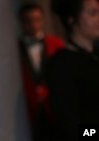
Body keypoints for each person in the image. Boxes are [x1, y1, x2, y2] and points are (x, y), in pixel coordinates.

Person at [47, 0, 99, 140]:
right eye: (93, 13)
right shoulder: (61, 64)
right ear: (72, 19)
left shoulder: (94, 55)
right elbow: (72, 127)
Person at [17, 2, 65, 141]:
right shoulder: (15, 50)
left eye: (37, 20)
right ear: (21, 22)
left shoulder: (56, 44)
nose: (33, 25)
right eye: (28, 21)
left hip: (56, 107)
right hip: (30, 111)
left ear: (43, 20)